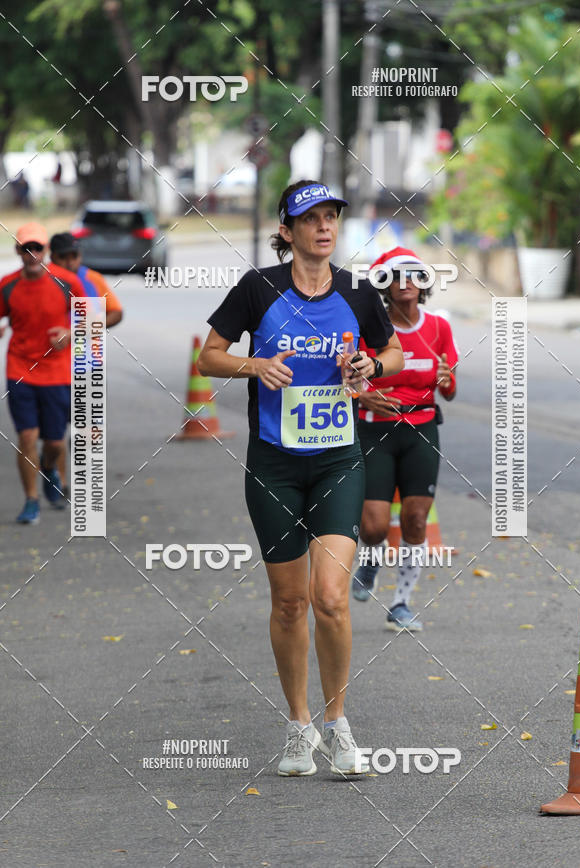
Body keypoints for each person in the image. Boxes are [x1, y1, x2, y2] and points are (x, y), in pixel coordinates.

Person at [198, 180, 404, 776]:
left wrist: (371, 365)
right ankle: (298, 725)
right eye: (309, 218)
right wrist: (254, 364)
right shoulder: (258, 288)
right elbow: (210, 355)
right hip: (274, 464)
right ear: (286, 232)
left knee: (331, 599)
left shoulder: (359, 293)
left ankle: (338, 725)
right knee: (289, 602)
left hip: (339, 458)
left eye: (331, 216)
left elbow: (391, 355)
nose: (323, 226)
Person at [352, 247, 458, 631]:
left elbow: (449, 387)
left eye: (413, 275)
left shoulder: (438, 327)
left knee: (415, 518)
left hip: (422, 429)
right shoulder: (371, 329)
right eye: (396, 277)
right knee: (375, 526)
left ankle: (401, 603)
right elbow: (350, 378)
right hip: (375, 428)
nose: (406, 283)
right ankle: (370, 559)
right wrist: (360, 394)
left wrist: (447, 381)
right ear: (384, 286)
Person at [0, 222, 86, 523]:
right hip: (20, 369)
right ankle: (31, 500)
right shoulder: (7, 285)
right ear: (18, 251)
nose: (32, 253)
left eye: (37, 247)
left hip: (57, 373)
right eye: (26, 248)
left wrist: (70, 333)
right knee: (26, 437)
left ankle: (49, 468)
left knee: (53, 442)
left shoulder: (67, 282)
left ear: (45, 251)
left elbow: (93, 320)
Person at [48, 232, 123, 492]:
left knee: (88, 429)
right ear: (52, 257)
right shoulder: (43, 282)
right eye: (64, 257)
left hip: (88, 364)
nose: (70, 262)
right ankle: (60, 482)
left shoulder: (92, 279)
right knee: (55, 433)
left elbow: (116, 312)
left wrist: (89, 327)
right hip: (52, 368)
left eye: (74, 256)